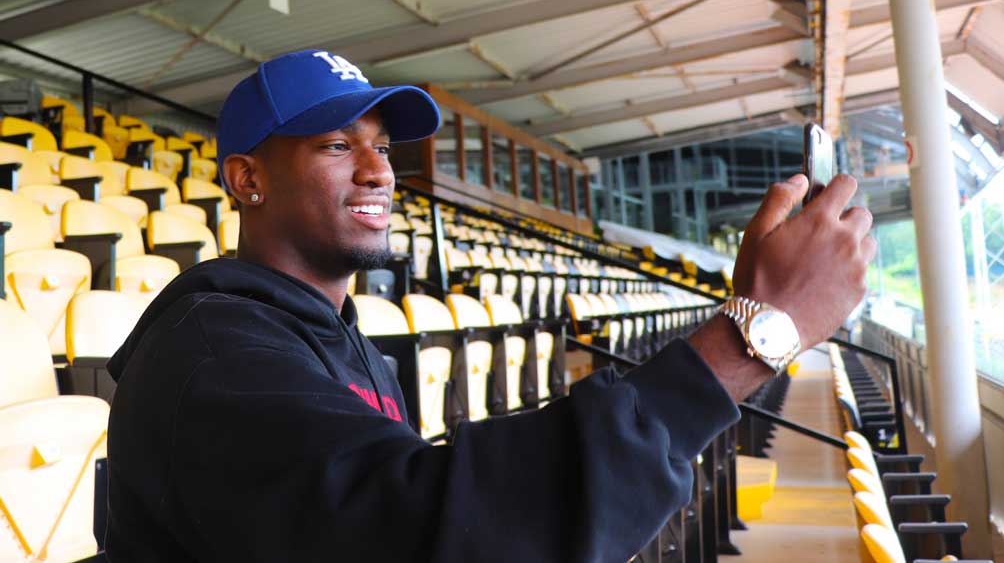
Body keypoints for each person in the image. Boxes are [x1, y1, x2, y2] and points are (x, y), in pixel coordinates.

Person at [104, 50, 875, 562]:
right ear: (247, 180)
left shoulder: (349, 341)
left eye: (380, 145)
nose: (379, 169)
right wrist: (750, 335)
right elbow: (419, 529)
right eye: (337, 145)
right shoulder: (212, 357)